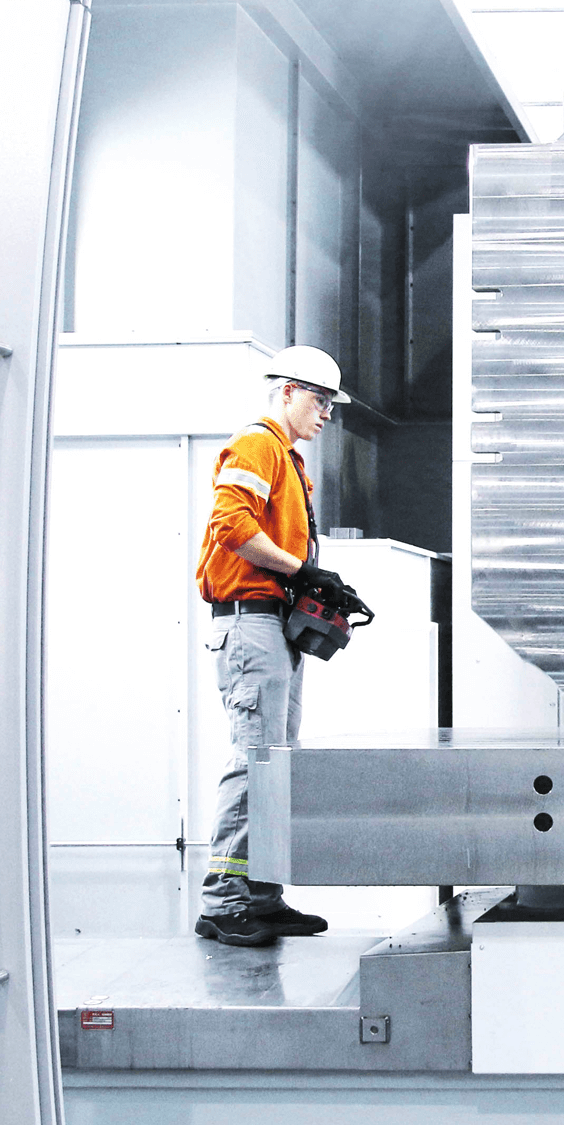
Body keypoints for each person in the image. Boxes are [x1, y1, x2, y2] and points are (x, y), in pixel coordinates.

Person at [190, 345, 353, 947]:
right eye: (319, 398)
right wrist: (301, 571)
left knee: (276, 765)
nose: (327, 413)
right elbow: (232, 527)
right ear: (285, 391)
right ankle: (223, 902)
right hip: (250, 625)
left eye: (332, 403)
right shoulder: (258, 444)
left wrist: (316, 583)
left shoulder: (289, 460)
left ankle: (263, 895)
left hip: (273, 628)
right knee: (254, 761)